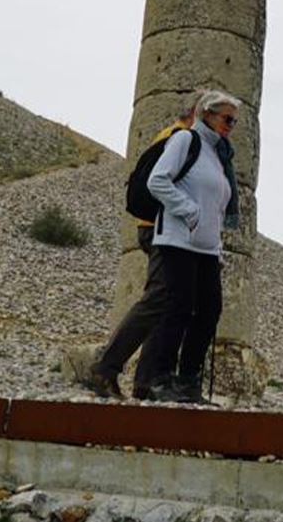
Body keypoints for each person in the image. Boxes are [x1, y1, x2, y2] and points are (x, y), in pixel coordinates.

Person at [83, 92, 202, 400]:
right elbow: (162, 184)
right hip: (160, 229)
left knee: (166, 302)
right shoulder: (180, 138)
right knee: (158, 299)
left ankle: (145, 381)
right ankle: (106, 367)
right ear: (196, 113)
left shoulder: (170, 135)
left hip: (156, 227)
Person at [138, 89, 242, 403]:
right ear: (206, 114)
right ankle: (160, 378)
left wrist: (217, 243)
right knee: (178, 307)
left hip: (207, 247)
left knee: (210, 310)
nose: (231, 126)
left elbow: (217, 204)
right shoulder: (185, 140)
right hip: (177, 239)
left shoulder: (219, 155)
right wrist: (189, 211)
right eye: (227, 119)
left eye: (234, 121)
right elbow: (157, 180)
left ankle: (188, 379)